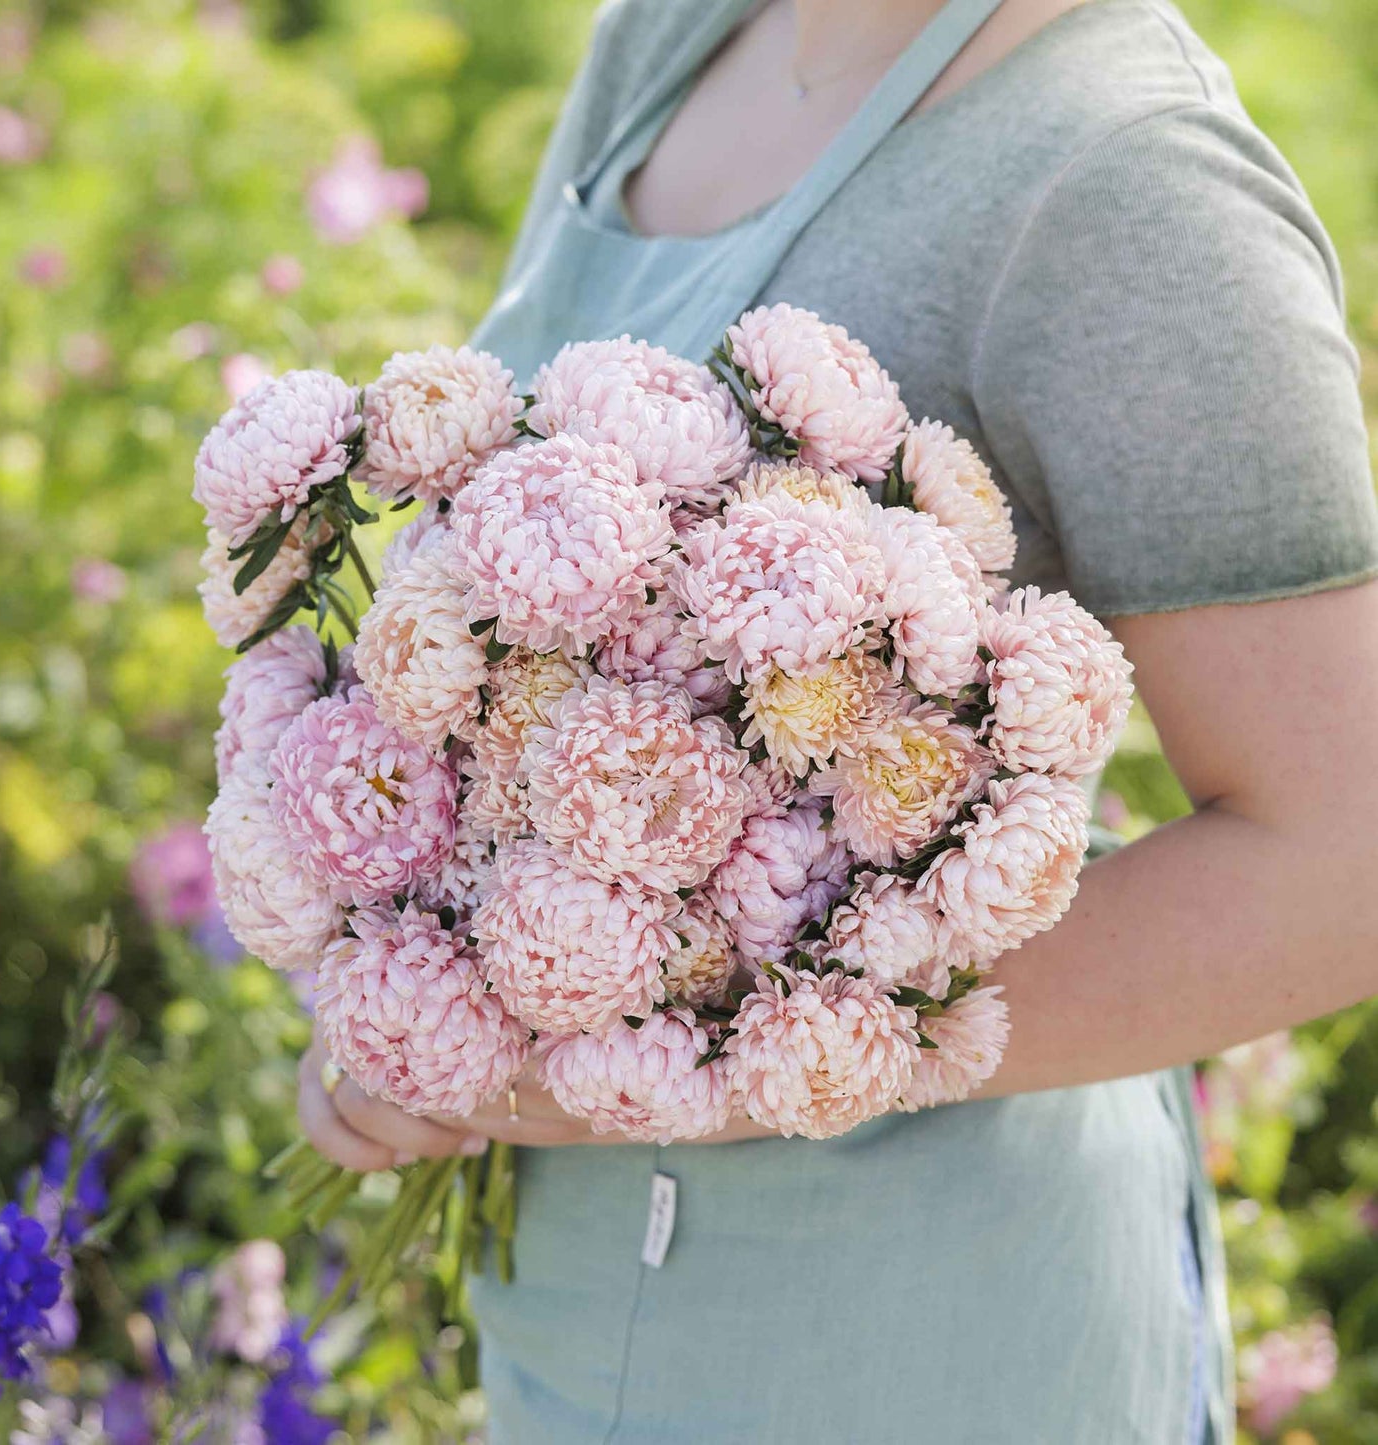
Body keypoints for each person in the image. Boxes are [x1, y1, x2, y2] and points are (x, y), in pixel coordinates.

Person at [298, 1, 1378, 1438]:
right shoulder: (680, 30)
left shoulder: (1126, 175)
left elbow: (1340, 859)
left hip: (910, 1335)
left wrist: (734, 1049)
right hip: (586, 1304)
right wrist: (419, 999)